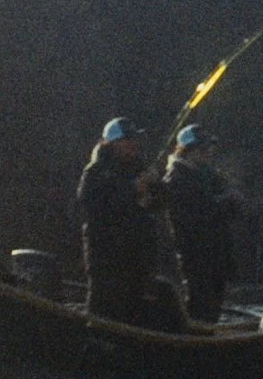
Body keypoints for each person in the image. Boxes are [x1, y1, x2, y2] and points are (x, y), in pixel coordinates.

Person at [73, 118, 180, 329]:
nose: (134, 144)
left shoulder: (139, 167)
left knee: (137, 309)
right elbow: (93, 206)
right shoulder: (95, 172)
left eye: (135, 139)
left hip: (140, 256)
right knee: (105, 308)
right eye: (127, 140)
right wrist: (134, 189)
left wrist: (156, 186)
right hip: (108, 258)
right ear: (112, 143)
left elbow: (160, 202)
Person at [153, 125, 245, 324]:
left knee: (214, 306)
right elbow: (196, 216)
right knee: (199, 305)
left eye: (208, 149)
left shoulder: (209, 175)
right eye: (202, 149)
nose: (207, 153)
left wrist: (233, 200)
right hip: (195, 255)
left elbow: (231, 212)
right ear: (187, 151)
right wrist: (223, 202)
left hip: (216, 254)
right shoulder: (176, 179)